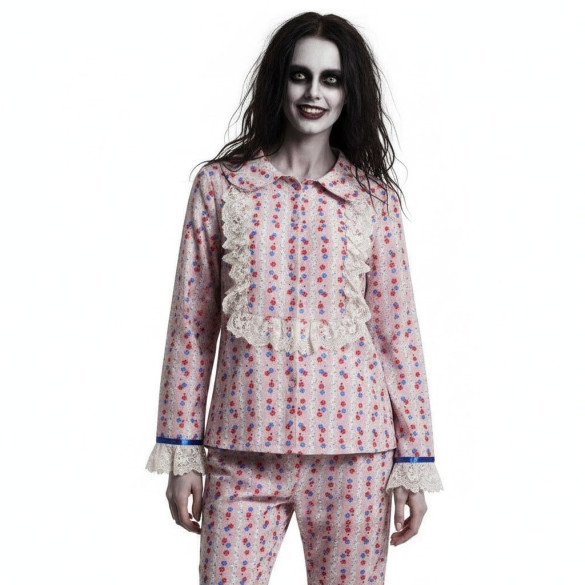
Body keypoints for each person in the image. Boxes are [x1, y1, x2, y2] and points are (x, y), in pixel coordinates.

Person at [146, 11, 443, 585]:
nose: (314, 93)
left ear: (349, 93)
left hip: (356, 454)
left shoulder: (373, 200)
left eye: (331, 79)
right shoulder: (220, 186)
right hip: (241, 449)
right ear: (278, 82)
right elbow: (191, 327)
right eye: (300, 75)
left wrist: (414, 459)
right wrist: (181, 449)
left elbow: (398, 334)